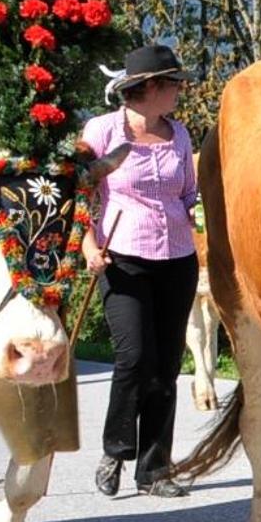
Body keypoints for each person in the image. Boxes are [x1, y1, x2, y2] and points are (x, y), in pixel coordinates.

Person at [82, 44, 200, 498]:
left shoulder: (180, 134)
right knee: (134, 358)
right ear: (150, 87)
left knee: (166, 366)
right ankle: (114, 449)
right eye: (173, 84)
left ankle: (153, 470)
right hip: (122, 256)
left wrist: (200, 213)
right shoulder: (102, 130)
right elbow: (78, 190)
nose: (179, 92)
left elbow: (187, 193)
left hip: (177, 258)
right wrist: (88, 244)